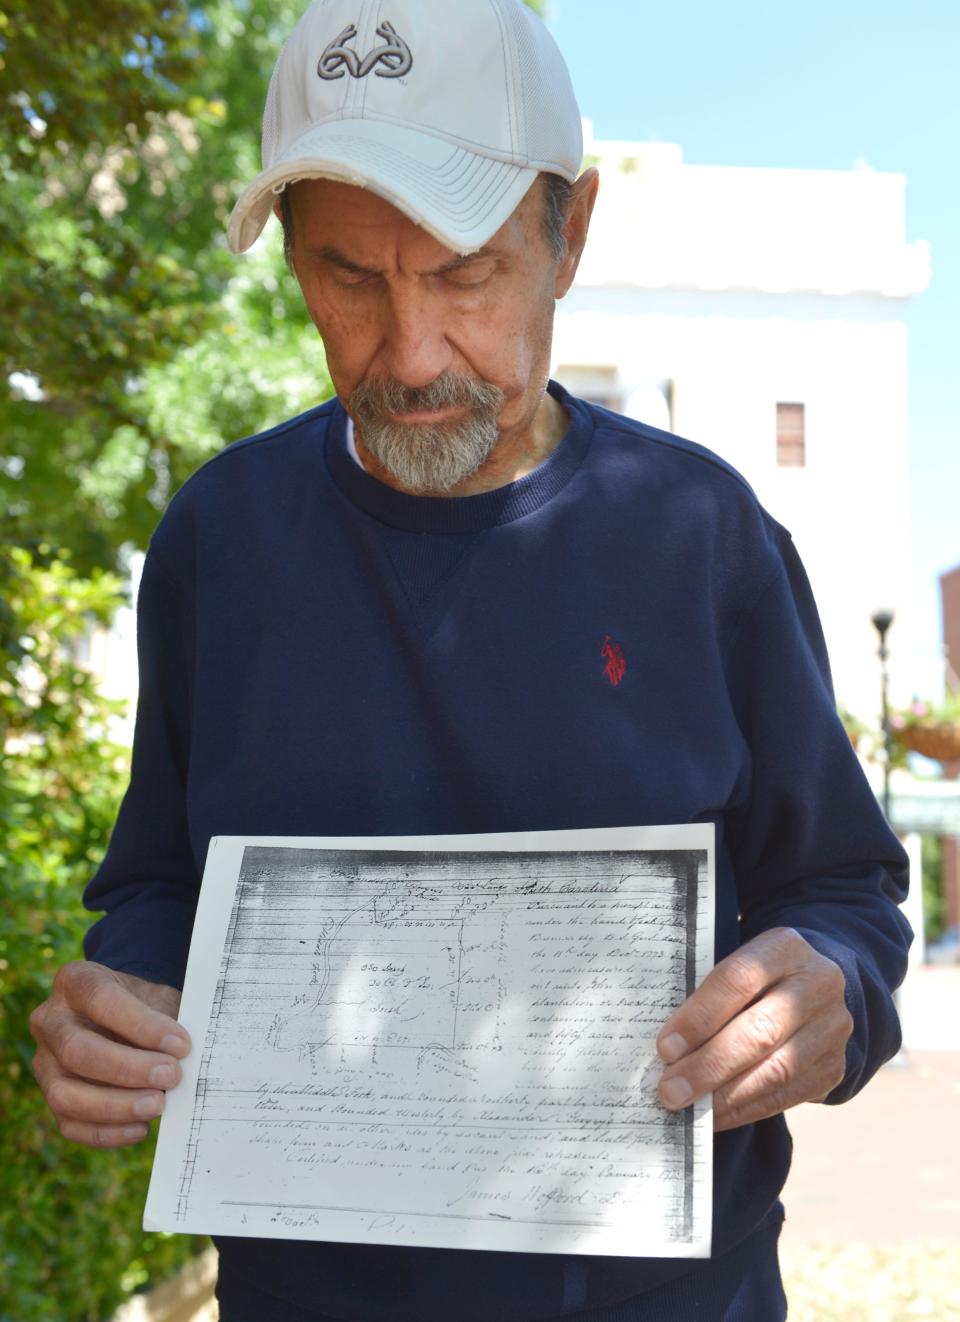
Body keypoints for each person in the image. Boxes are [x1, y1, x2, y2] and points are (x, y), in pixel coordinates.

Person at [30, 1, 911, 1318]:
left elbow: (845, 889)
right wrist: (121, 998)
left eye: (464, 271)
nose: (412, 354)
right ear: (288, 260)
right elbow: (161, 884)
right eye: (348, 277)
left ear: (573, 234)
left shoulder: (707, 536)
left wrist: (832, 991)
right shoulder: (219, 541)